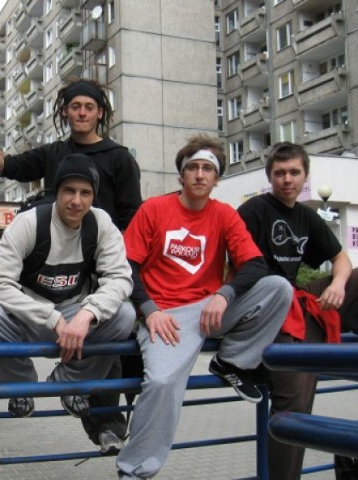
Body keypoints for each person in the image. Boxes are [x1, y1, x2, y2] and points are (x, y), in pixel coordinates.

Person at [0, 76, 143, 450]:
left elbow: (133, 222)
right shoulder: (37, 203)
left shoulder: (118, 163)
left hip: (93, 273)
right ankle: (24, 386)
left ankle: (91, 410)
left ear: (100, 113)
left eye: (85, 193)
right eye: (69, 191)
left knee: (119, 323)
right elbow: (8, 166)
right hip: (41, 286)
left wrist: (91, 308)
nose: (77, 200)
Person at [115, 135, 293, 479]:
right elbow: (127, 266)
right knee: (163, 382)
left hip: (211, 309)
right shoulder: (154, 208)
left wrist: (224, 293)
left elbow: (255, 263)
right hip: (165, 314)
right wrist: (149, 309)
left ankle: (232, 361)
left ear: (216, 178)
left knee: (278, 288)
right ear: (181, 176)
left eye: (207, 169)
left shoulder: (224, 214)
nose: (199, 174)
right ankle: (134, 470)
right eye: (192, 168)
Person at [236, 141, 358, 480]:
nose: (286, 179)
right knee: (297, 401)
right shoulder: (254, 211)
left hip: (300, 299)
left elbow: (341, 258)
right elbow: (236, 268)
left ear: (305, 176)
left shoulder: (306, 215)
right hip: (267, 309)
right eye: (279, 173)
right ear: (269, 177)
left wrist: (337, 283)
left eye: (294, 172)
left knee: (357, 278)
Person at [0, 76, 141, 231]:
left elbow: (132, 218)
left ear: (99, 113)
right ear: (64, 111)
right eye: (76, 107)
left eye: (89, 107)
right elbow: (6, 166)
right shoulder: (53, 153)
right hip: (56, 253)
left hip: (101, 255)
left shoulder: (120, 158)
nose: (82, 113)